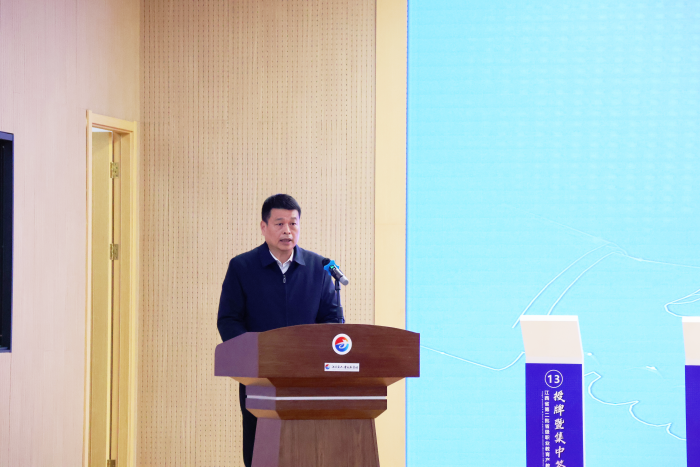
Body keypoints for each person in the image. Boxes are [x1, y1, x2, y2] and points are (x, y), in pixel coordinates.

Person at [217, 193, 341, 467]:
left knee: (308, 452)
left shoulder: (318, 268)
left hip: (307, 379)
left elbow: (332, 320)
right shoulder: (242, 267)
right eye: (279, 223)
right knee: (261, 452)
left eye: (293, 223)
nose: (287, 230)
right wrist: (254, 356)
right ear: (264, 227)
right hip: (260, 379)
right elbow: (228, 320)